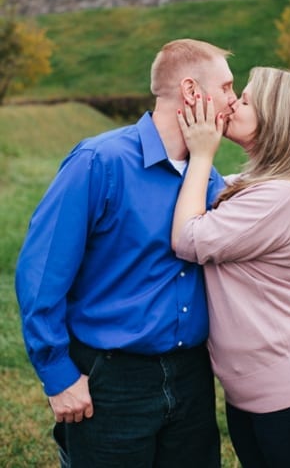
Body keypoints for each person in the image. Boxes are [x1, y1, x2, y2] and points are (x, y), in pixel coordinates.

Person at [15, 39, 238, 466]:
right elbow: (41, 272)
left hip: (191, 376)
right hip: (110, 380)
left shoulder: (208, 176)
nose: (233, 99)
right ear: (192, 93)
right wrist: (57, 374)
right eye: (226, 88)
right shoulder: (99, 162)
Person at [171, 66, 290, 468]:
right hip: (259, 390)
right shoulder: (259, 184)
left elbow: (188, 238)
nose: (233, 102)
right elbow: (203, 193)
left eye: (246, 100)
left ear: (277, 122)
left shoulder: (280, 197)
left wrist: (201, 154)